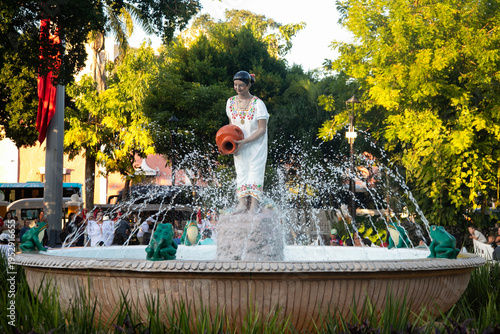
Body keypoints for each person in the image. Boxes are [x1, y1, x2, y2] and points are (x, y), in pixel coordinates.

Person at [226, 71, 269, 214]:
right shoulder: (230, 102)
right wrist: (231, 142)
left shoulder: (258, 104)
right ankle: (242, 203)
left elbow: (262, 129)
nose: (238, 88)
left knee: (255, 171)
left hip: (256, 145)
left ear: (249, 84)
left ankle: (254, 205)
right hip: (239, 145)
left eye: (241, 85)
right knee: (241, 171)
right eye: (235, 85)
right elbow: (231, 125)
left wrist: (245, 141)